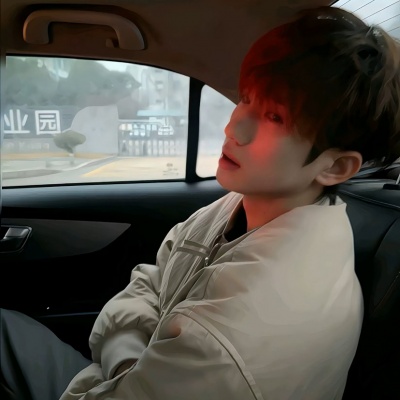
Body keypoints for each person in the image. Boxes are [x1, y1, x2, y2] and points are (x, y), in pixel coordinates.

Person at [2, 5, 400, 400]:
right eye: (246, 99)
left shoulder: (239, 337)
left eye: (274, 117)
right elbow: (150, 279)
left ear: (335, 167)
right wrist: (129, 360)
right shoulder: (236, 207)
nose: (233, 127)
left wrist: (124, 359)